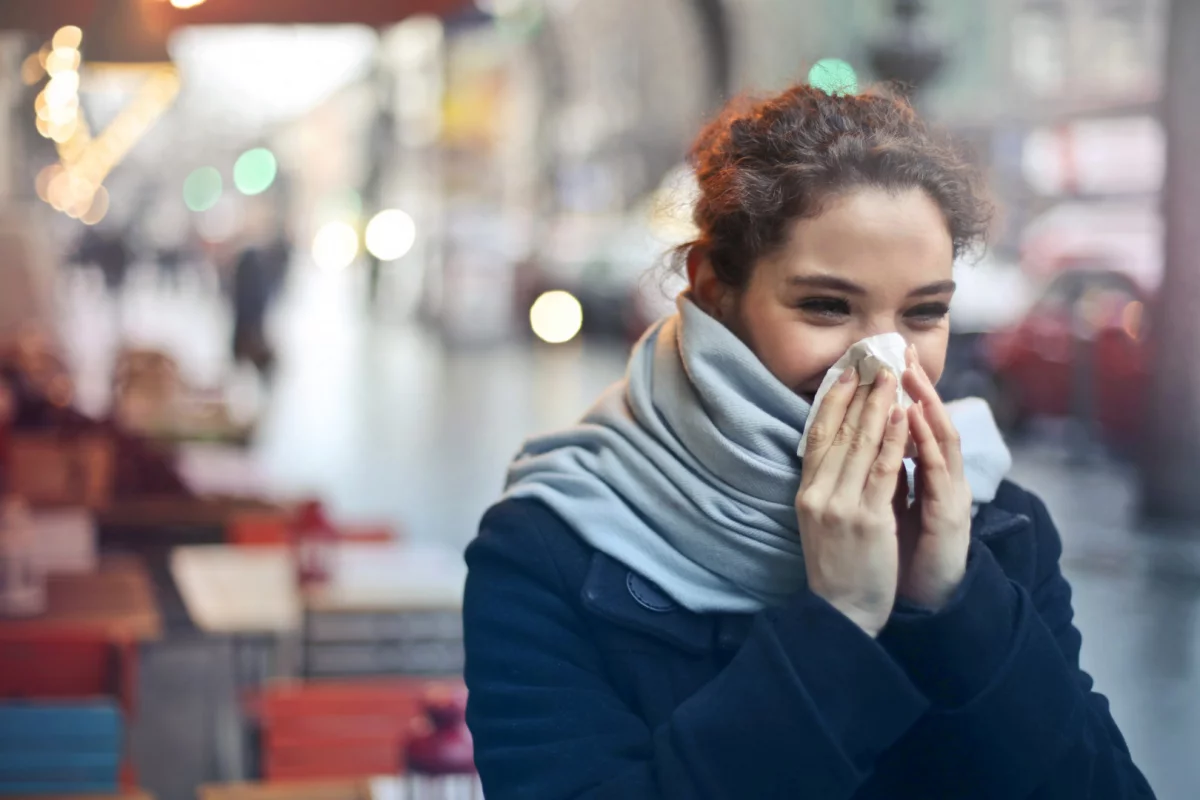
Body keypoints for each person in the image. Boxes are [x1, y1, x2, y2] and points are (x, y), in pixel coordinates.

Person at [462, 84, 1155, 799]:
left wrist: (956, 602)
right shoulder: (551, 546)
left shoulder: (1000, 526)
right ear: (711, 288)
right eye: (826, 306)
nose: (884, 361)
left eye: (924, 314)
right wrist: (838, 620)